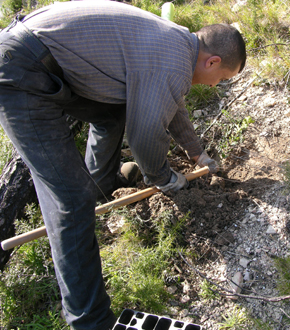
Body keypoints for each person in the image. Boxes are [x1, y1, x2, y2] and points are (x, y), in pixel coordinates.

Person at [0, 0, 246, 329]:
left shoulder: (176, 44)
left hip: (38, 57)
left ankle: (102, 186)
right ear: (213, 61)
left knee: (113, 112)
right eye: (222, 77)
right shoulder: (173, 60)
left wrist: (195, 152)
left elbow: (169, 102)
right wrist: (164, 178)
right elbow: (144, 135)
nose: (216, 84)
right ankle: (90, 321)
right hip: (23, 73)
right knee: (71, 199)